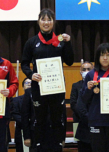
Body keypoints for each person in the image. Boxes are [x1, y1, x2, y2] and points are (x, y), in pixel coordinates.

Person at [21, 8, 74, 152]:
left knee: (57, 118)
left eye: (49, 19)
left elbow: (69, 61)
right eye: (43, 19)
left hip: (56, 86)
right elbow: (24, 64)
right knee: (39, 118)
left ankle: (58, 145)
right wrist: (31, 75)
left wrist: (68, 43)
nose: (46, 22)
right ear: (38, 21)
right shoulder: (31, 42)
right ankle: (38, 145)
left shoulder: (61, 40)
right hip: (39, 86)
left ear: (53, 22)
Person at [70, 61, 93, 151]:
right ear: (80, 72)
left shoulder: (97, 85)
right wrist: (83, 115)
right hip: (81, 122)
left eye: (89, 69)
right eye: (84, 69)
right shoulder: (76, 85)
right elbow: (73, 103)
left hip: (95, 121)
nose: (86, 71)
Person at [11, 78, 31, 152]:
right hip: (21, 130)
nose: (29, 84)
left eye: (31, 83)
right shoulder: (16, 100)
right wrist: (27, 122)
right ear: (22, 87)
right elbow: (15, 114)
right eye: (26, 83)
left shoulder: (38, 100)